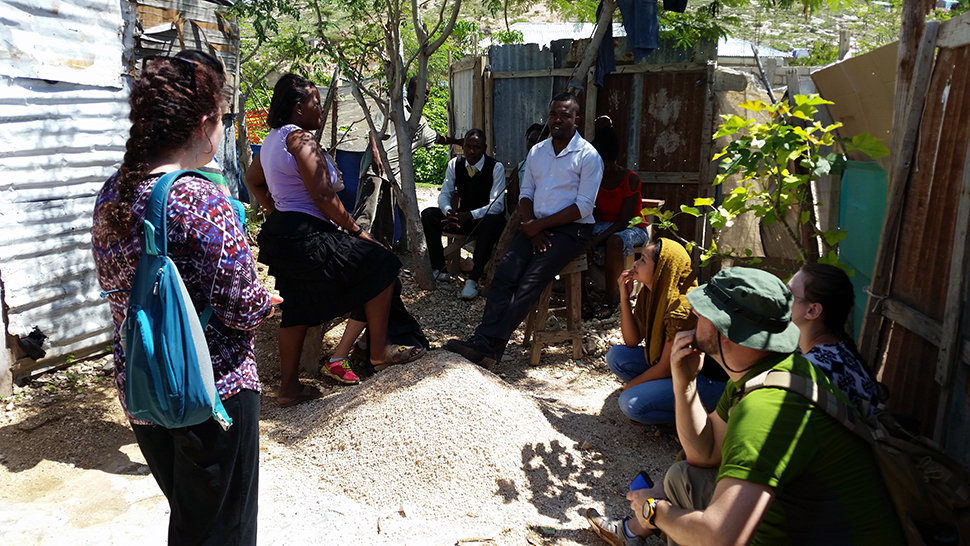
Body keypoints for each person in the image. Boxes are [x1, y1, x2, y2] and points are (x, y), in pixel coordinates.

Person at [91, 56, 276, 545]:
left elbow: (117, 287)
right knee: (222, 532)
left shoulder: (112, 193)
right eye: (222, 118)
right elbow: (242, 306)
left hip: (144, 388)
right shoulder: (198, 197)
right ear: (203, 123)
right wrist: (266, 299)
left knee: (192, 519)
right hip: (212, 393)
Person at [586, 267, 905, 546]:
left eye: (703, 312)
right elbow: (703, 453)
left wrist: (653, 511)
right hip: (801, 522)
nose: (694, 315)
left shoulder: (767, 408)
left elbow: (721, 538)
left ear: (727, 333)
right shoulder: (764, 372)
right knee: (684, 477)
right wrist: (685, 384)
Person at [247, 74, 425, 405]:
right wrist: (357, 230)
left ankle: (289, 388)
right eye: (316, 102)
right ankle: (378, 349)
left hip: (283, 234)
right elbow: (323, 196)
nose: (322, 108)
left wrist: (279, 209)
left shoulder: (272, 140)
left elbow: (252, 180)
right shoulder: (299, 138)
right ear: (298, 108)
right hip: (307, 234)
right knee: (384, 264)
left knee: (297, 309)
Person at [445, 92, 604, 367]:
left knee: (530, 281)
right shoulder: (537, 152)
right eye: (553, 114)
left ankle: (487, 344)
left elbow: (583, 207)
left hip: (572, 230)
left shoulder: (588, 156)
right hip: (534, 225)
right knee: (504, 274)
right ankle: (486, 343)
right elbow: (526, 193)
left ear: (576, 120)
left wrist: (538, 226)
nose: (557, 120)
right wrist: (532, 225)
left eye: (565, 115)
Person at [606, 238, 726, 425]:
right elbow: (632, 340)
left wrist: (630, 386)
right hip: (674, 368)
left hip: (706, 380)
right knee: (617, 356)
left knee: (630, 404)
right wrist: (624, 297)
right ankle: (659, 397)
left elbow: (665, 368)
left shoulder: (682, 308)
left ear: (662, 270)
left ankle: (698, 417)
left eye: (643, 260)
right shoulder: (650, 292)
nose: (636, 263)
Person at [355, 76, 463, 247]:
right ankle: (354, 252)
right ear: (410, 90)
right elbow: (374, 130)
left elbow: (437, 138)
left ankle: (382, 256)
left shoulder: (420, 122)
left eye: (427, 93)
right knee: (365, 216)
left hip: (393, 177)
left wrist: (457, 141)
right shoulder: (394, 107)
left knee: (387, 222)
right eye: (420, 92)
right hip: (375, 170)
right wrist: (375, 154)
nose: (424, 96)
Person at [421, 128, 507, 300]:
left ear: (484, 148)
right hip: (461, 219)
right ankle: (440, 269)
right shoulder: (455, 164)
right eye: (468, 146)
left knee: (492, 221)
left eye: (476, 147)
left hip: (484, 220)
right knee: (428, 215)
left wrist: (469, 215)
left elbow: (496, 205)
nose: (471, 151)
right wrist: (449, 211)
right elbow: (445, 194)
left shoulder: (495, 167)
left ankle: (473, 279)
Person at [788, 262, 883, 415]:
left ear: (812, 310)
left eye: (788, 292)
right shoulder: (839, 352)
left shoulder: (813, 369)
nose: (780, 296)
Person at [586, 123, 650, 319]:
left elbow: (625, 221)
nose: (603, 169)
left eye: (606, 164)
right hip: (603, 226)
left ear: (614, 161)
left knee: (614, 241)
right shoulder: (592, 178)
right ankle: (582, 299)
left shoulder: (630, 179)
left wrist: (597, 239)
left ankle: (610, 299)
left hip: (632, 227)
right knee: (577, 237)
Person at [505, 123, 545, 212]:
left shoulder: (554, 168)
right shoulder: (519, 170)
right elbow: (512, 204)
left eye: (539, 142)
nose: (534, 145)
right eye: (530, 141)